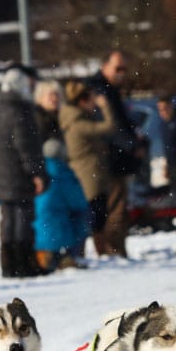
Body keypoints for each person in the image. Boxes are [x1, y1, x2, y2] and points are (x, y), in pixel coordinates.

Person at [0, 65, 49, 278]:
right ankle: (23, 263)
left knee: (8, 221)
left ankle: (8, 264)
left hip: (2, 174)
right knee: (23, 220)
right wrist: (37, 173)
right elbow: (27, 147)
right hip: (20, 176)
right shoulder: (20, 110)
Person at [87, 50, 141, 257]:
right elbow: (112, 128)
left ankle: (113, 248)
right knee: (115, 208)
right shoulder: (100, 90)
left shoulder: (108, 89)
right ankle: (114, 250)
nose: (121, 73)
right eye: (117, 68)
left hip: (113, 157)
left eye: (124, 69)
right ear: (105, 66)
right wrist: (131, 145)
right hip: (108, 159)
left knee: (114, 207)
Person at [59, 80, 116, 256]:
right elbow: (108, 127)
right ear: (82, 101)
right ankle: (97, 251)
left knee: (94, 215)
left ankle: (93, 250)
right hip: (88, 175)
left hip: (89, 174)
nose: (95, 103)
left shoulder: (76, 119)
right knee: (94, 217)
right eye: (91, 100)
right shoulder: (78, 124)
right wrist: (105, 107)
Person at [33, 138, 90, 272]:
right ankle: (70, 255)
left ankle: (44, 257)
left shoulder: (35, 171)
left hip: (33, 234)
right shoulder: (63, 174)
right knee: (83, 214)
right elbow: (79, 203)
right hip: (57, 237)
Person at [33, 79, 64, 145]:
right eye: (51, 95)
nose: (55, 98)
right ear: (40, 97)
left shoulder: (60, 115)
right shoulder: (36, 117)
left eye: (57, 95)